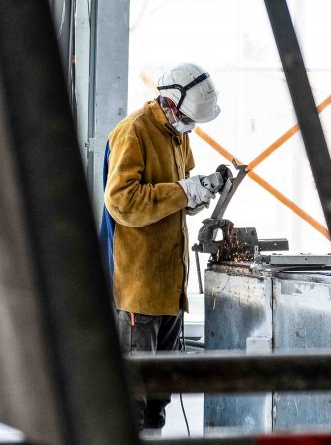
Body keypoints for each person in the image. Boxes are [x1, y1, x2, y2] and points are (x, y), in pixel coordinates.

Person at [99, 62, 227, 431]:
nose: (192, 127)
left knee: (160, 390)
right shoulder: (133, 134)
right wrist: (183, 191)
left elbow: (178, 191)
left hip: (170, 284)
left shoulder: (178, 131)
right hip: (138, 287)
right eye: (189, 119)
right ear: (170, 103)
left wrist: (199, 192)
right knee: (134, 394)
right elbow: (122, 202)